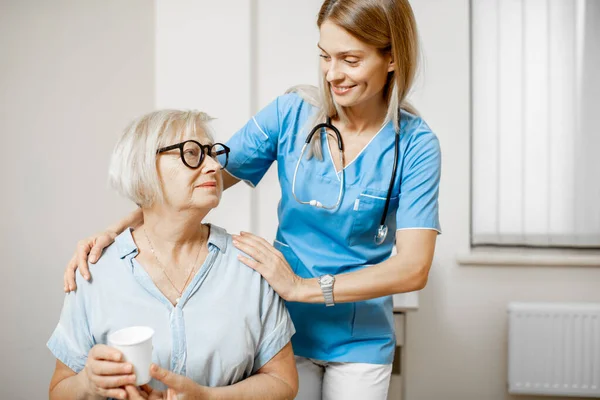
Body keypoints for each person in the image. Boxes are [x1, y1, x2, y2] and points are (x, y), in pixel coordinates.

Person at [64, 0, 441, 398]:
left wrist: (302, 287)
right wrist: (116, 230)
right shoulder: (292, 114)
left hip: (358, 336)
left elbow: (413, 268)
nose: (332, 74)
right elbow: (193, 181)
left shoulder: (416, 146)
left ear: (392, 58)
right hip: (285, 329)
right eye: (325, 56)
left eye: (350, 59)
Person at [48, 110, 298, 399]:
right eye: (192, 153)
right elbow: (58, 390)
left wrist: (207, 398)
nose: (214, 167)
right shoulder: (96, 270)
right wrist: (87, 385)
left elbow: (283, 381)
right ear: (143, 171)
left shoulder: (249, 265)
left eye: (212, 154)